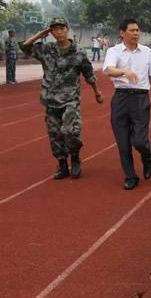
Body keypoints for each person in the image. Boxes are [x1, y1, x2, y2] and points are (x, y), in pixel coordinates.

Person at [18, 17, 103, 179]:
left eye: (61, 28)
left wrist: (97, 93)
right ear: (51, 32)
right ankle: (63, 164)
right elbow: (25, 47)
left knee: (69, 131)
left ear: (67, 29)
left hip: (71, 99)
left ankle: (75, 157)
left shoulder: (78, 53)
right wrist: (39, 35)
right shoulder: (46, 49)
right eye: (54, 29)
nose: (58, 32)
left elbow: (89, 74)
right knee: (54, 134)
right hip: (50, 99)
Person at [103, 19, 151, 190]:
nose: (136, 33)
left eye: (137, 30)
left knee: (139, 140)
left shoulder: (146, 52)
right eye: (132, 30)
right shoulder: (114, 51)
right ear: (122, 33)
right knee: (122, 142)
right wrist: (124, 71)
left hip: (140, 99)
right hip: (121, 98)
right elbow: (108, 70)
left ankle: (147, 156)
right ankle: (130, 176)